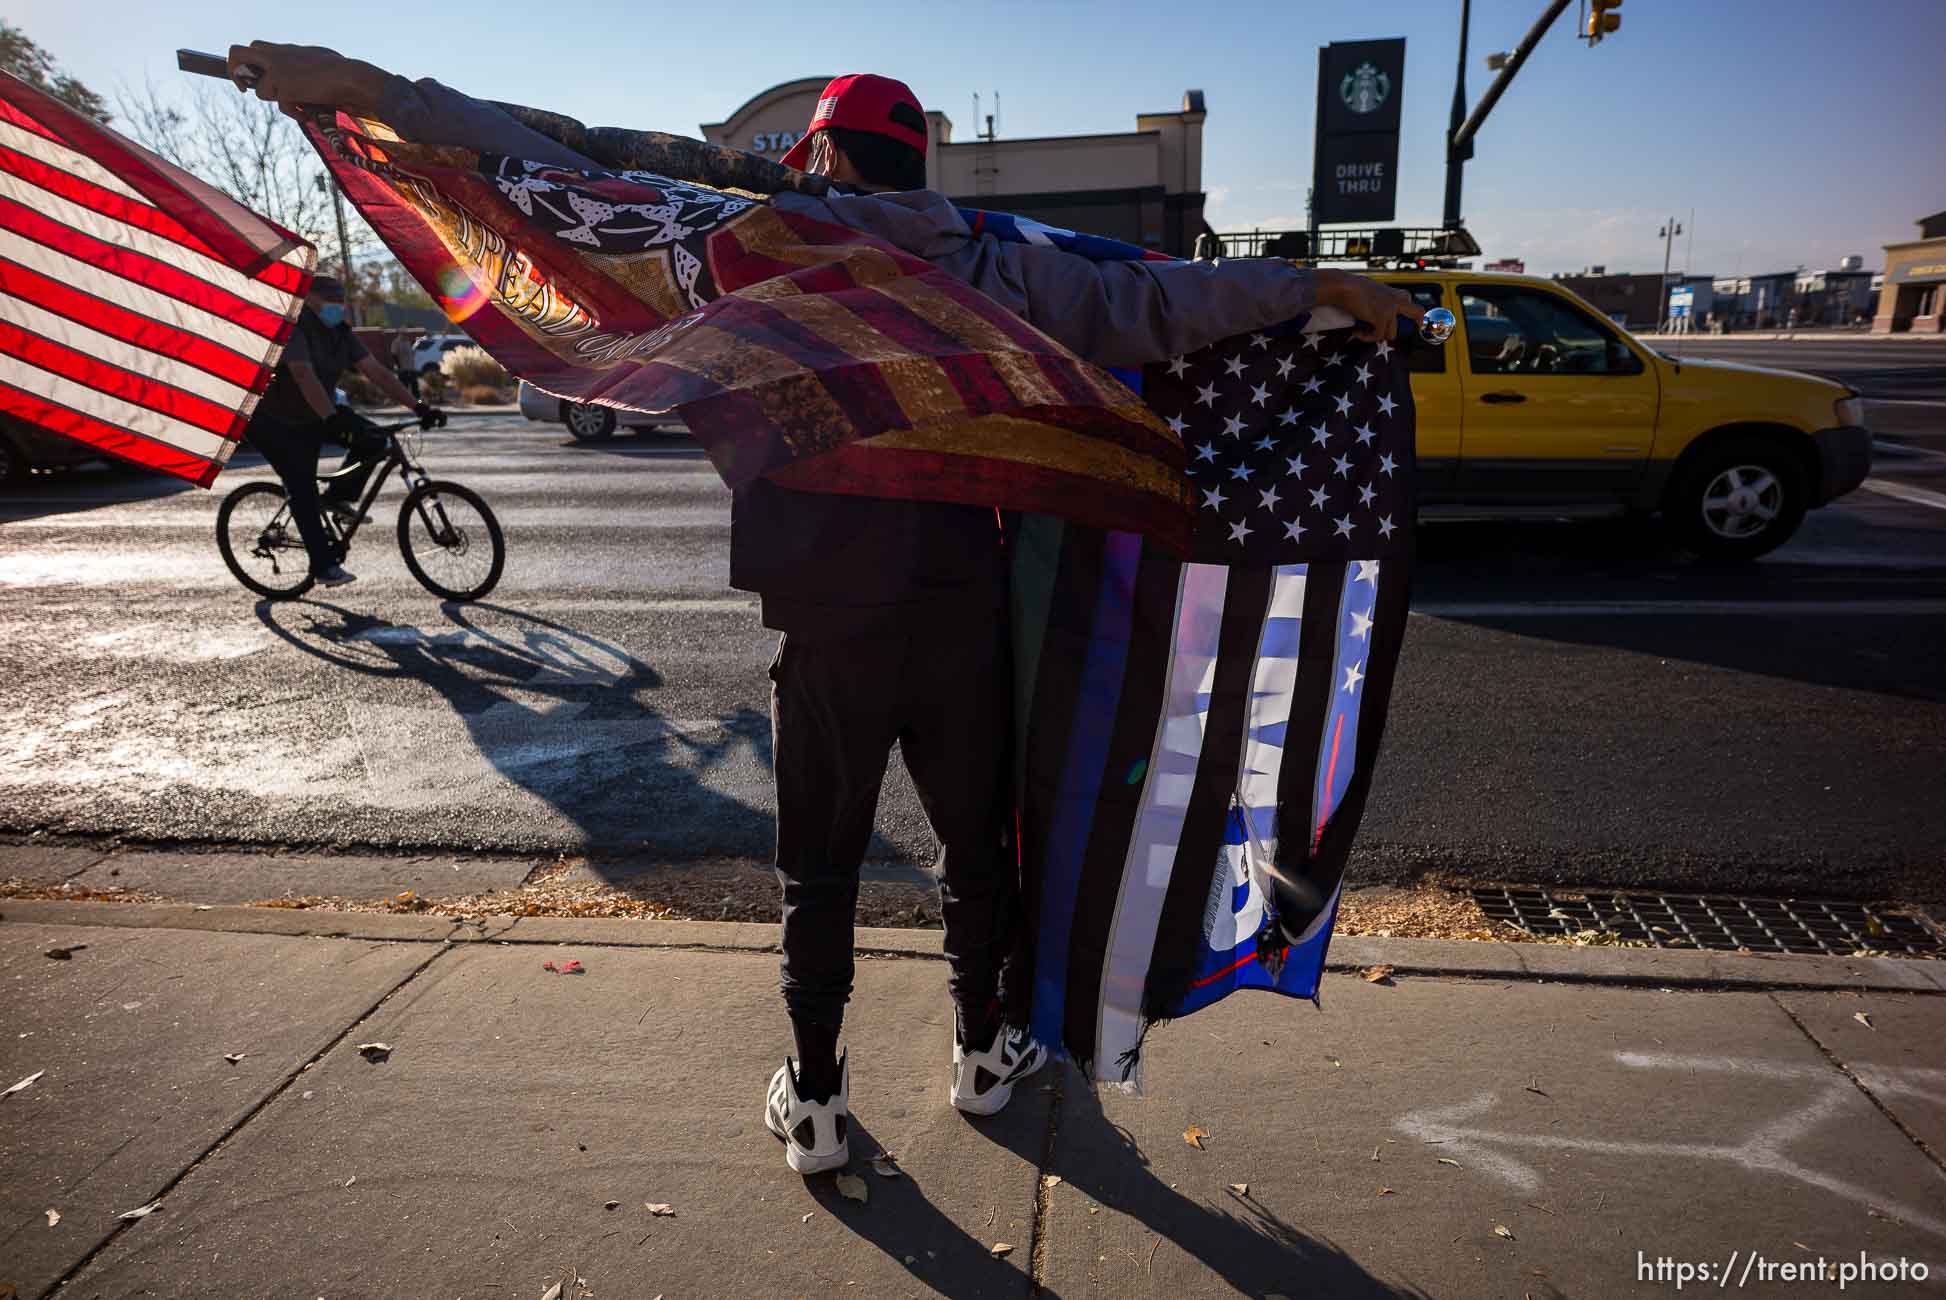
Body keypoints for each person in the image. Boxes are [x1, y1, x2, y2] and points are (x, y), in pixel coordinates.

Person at [226, 44, 1423, 1174]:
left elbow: (563, 164)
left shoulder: (764, 242)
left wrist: (364, 89)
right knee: (972, 857)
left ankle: (815, 1097)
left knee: (822, 869)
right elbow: (1163, 305)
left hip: (826, 626)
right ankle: (980, 1055)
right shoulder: (996, 269)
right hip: (961, 613)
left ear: (831, 158)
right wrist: (1313, 286)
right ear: (916, 161)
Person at [247, 274, 440, 586]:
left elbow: (376, 371)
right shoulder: (294, 327)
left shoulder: (339, 332)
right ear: (310, 300)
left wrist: (418, 406)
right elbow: (302, 374)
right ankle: (322, 567)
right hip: (274, 423)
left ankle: (338, 497)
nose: (338, 307)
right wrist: (332, 418)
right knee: (302, 489)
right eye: (331, 301)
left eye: (341, 301)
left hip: (317, 414)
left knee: (377, 441)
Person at [390, 327, 421, 398]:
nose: (405, 335)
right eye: (404, 333)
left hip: (411, 368)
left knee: (414, 385)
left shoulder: (407, 342)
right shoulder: (396, 342)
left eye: (406, 333)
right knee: (404, 386)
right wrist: (399, 366)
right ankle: (404, 400)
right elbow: (394, 355)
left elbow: (410, 354)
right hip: (402, 368)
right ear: (400, 334)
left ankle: (418, 401)